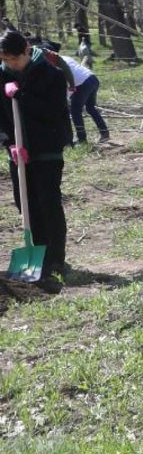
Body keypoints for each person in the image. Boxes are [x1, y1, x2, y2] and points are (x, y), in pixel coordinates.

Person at [1, 30, 72, 285]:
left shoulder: (52, 74)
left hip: (47, 149)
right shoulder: (1, 76)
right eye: (5, 61)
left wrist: (21, 95)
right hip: (19, 152)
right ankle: (38, 254)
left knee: (48, 203)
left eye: (14, 60)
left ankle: (55, 259)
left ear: (27, 52)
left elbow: (53, 113)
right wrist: (8, 143)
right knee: (25, 204)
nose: (10, 65)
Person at [64, 53, 110, 144]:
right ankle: (104, 132)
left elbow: (66, 83)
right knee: (90, 108)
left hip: (82, 84)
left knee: (75, 111)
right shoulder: (65, 57)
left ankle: (81, 138)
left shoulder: (55, 65)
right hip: (92, 78)